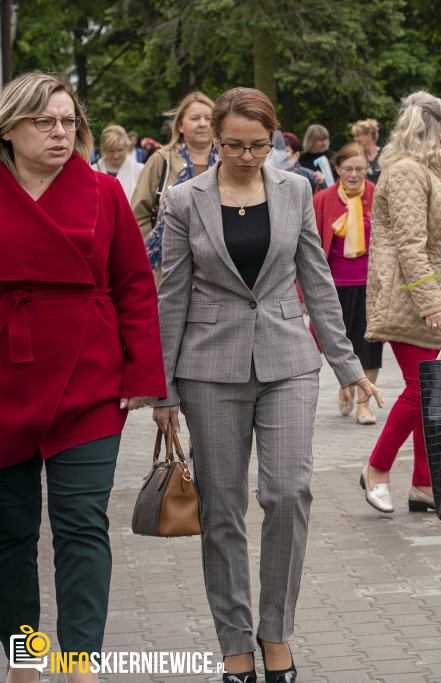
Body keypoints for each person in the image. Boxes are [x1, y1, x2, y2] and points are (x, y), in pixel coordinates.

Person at [152, 87, 382, 683]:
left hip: (287, 360)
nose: (246, 156)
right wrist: (163, 390)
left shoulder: (296, 189)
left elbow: (318, 279)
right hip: (208, 369)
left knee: (287, 496)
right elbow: (171, 294)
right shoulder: (182, 200)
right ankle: (235, 642)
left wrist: (348, 364)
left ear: (277, 141)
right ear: (212, 140)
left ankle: (276, 632)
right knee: (223, 509)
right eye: (232, 144)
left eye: (258, 145)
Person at [0, 71, 164, 683]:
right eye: (45, 121)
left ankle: (78, 665)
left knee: (81, 529)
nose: (60, 132)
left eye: (69, 121)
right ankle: (24, 662)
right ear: (11, 128)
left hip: (90, 381)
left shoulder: (102, 193)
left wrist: (145, 375)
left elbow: (135, 288)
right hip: (5, 381)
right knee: (11, 535)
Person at [361, 91, 441, 515]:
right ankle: (376, 469)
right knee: (420, 389)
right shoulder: (406, 173)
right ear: (434, 127)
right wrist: (433, 302)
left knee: (431, 390)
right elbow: (411, 246)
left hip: (427, 293)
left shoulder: (428, 172)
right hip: (408, 296)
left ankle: (425, 485)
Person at [312, 142, 383, 424]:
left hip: (370, 283)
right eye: (348, 168)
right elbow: (312, 245)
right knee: (341, 343)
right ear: (337, 168)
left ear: (367, 168)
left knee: (370, 344)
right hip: (335, 285)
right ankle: (346, 383)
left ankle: (364, 405)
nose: (354, 174)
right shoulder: (323, 199)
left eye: (360, 168)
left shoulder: (376, 195)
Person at [131, 91, 217, 278]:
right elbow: (139, 214)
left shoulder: (228, 163)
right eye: (195, 118)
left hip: (215, 270)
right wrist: (154, 249)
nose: (203, 123)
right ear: (180, 125)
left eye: (208, 118)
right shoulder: (162, 160)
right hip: (167, 268)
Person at [91, 124, 144, 199]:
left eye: (119, 150)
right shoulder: (92, 171)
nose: (116, 156)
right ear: (104, 150)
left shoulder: (139, 170)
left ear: (126, 147)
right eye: (111, 151)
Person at [350, 119, 381, 184]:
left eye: (358, 136)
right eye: (354, 136)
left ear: (369, 136)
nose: (354, 139)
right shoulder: (357, 156)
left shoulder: (384, 154)